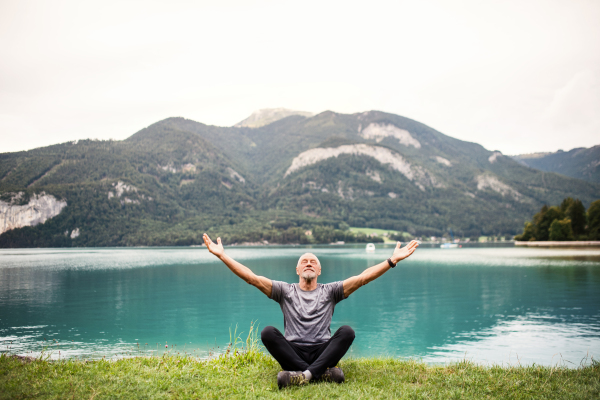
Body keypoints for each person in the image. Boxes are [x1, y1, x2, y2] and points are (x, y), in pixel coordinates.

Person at [202, 233, 419, 388]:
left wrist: (392, 261)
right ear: (297, 269)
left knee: (347, 332)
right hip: (293, 350)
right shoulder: (284, 291)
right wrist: (222, 255)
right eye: (304, 261)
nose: (308, 263)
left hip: (322, 351)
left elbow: (362, 278)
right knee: (268, 332)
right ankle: (320, 374)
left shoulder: (331, 291)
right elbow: (251, 277)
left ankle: (303, 375)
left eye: (313, 261)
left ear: (319, 270)